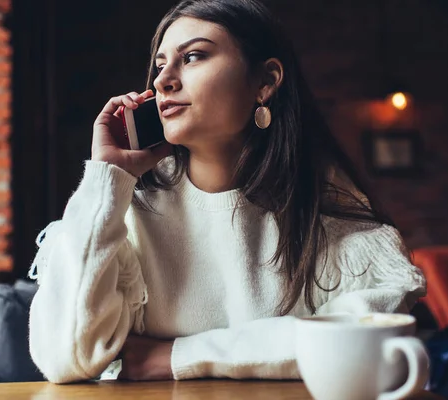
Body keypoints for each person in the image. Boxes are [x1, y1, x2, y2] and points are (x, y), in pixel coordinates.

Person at [27, 0, 426, 383]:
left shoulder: (325, 210)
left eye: (194, 56)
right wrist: (107, 178)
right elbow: (67, 358)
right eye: (161, 64)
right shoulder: (127, 211)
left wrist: (178, 356)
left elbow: (363, 340)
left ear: (266, 82)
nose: (163, 80)